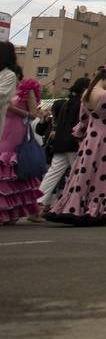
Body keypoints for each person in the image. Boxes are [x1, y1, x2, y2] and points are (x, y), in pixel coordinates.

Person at [47, 66, 106, 225]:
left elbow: (83, 119)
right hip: (105, 138)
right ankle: (101, 208)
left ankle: (74, 206)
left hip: (89, 138)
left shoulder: (86, 94)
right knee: (105, 171)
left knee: (83, 170)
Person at [0, 49, 44, 224]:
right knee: (6, 171)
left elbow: (33, 114)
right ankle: (9, 210)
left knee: (10, 167)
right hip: (4, 127)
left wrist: (13, 109)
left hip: (17, 130)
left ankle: (15, 210)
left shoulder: (27, 89)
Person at [38, 77, 91, 216]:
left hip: (60, 144)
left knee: (52, 174)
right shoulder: (82, 105)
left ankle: (38, 203)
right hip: (74, 144)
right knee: (79, 174)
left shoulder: (66, 104)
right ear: (84, 89)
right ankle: (77, 205)